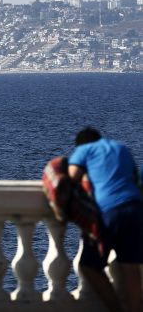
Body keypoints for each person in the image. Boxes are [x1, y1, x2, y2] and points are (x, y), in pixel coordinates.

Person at [68, 127, 143, 312]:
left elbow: (72, 178)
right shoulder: (121, 148)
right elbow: (135, 178)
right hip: (134, 209)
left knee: (88, 265)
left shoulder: (84, 150)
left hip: (109, 212)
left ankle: (115, 309)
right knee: (131, 268)